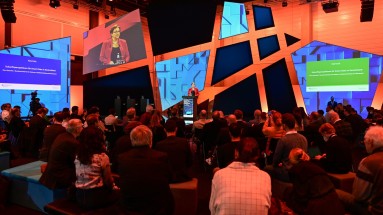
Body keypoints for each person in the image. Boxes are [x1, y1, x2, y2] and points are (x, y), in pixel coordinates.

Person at [117, 125, 174, 214]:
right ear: (150, 140)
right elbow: (169, 178)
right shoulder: (161, 156)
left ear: (132, 140)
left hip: (130, 205)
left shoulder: (122, 158)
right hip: (157, 205)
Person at [209, 137, 271, 215]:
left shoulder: (219, 175)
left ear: (236, 153)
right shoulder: (265, 177)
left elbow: (212, 209)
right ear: (257, 155)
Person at [284, 148, 345, 215]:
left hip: (317, 208)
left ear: (291, 159)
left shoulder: (295, 170)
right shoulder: (316, 164)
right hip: (335, 204)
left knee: (288, 192)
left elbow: (301, 197)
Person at [74, 126, 119, 209]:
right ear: (99, 140)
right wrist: (114, 187)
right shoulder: (102, 157)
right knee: (120, 195)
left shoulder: (78, 155)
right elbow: (108, 181)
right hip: (96, 197)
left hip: (79, 195)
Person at [39, 119, 83, 189]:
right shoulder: (72, 142)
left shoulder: (62, 136)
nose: (83, 129)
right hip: (59, 176)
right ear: (77, 129)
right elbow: (76, 162)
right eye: (82, 127)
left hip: (52, 173)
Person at [352, 125, 383, 214]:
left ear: (371, 142)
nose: (364, 143)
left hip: (375, 211)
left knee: (338, 194)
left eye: (364, 141)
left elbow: (359, 196)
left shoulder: (367, 162)